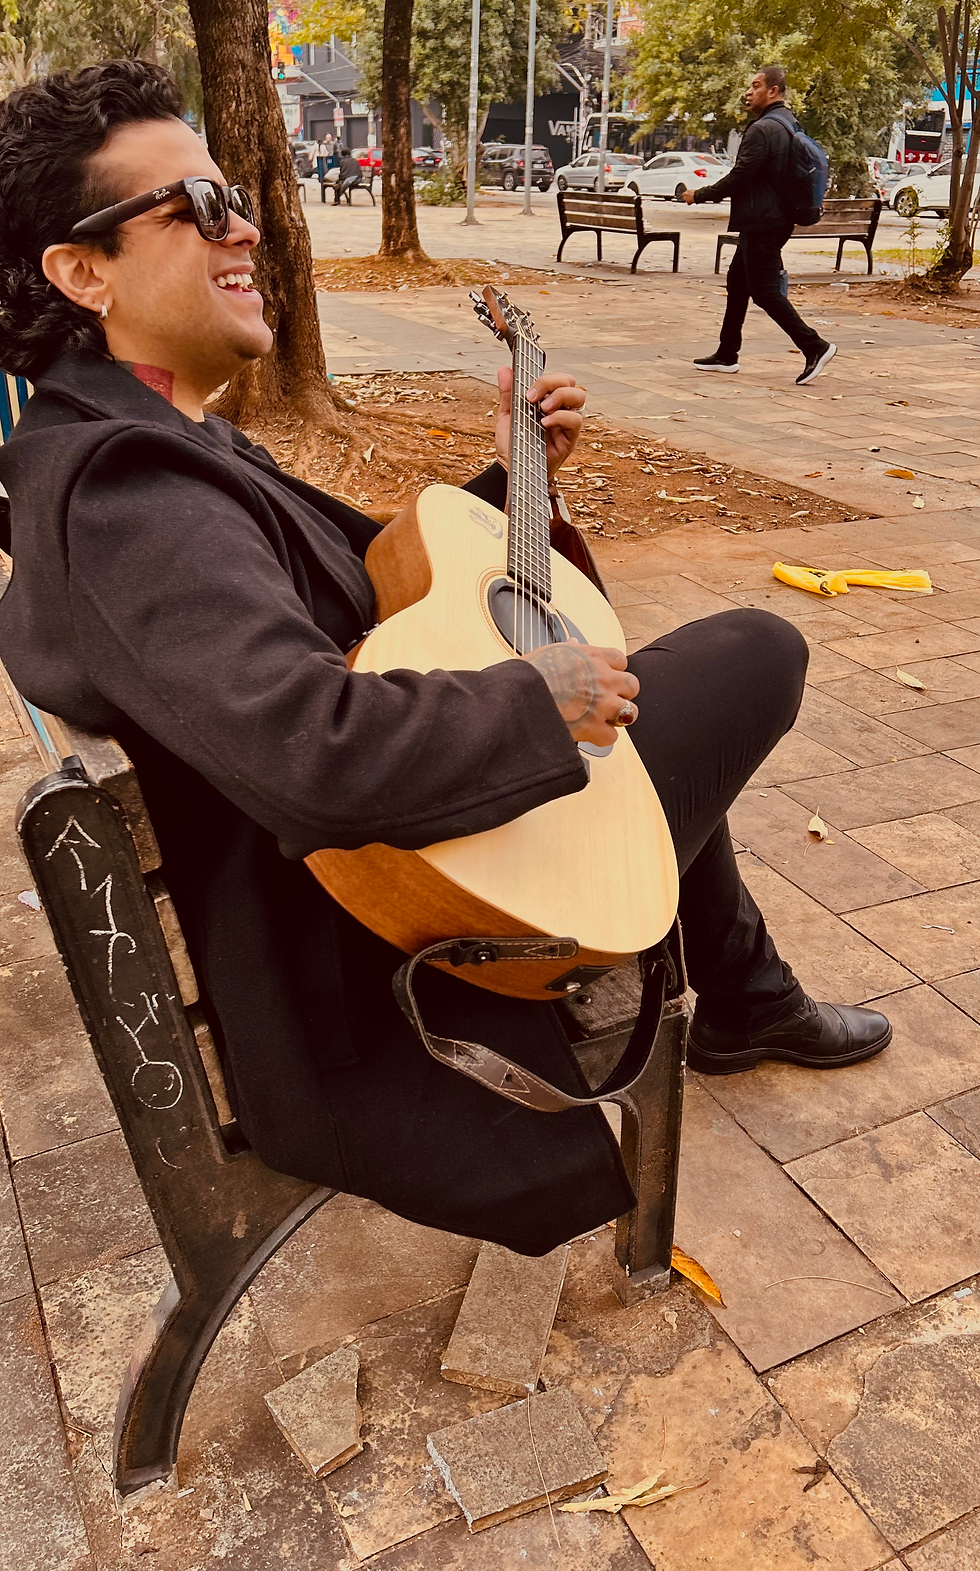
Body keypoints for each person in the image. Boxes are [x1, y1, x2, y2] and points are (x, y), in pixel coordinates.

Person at [0, 62, 890, 1258]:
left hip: (392, 871)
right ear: (81, 269)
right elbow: (307, 746)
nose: (245, 223)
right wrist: (532, 702)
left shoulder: (142, 432)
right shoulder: (127, 491)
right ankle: (746, 994)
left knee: (610, 685)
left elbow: (355, 584)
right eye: (196, 205)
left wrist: (512, 487)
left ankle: (744, 992)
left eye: (237, 194)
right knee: (749, 648)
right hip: (391, 951)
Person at [683, 66, 837, 387]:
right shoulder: (789, 124)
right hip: (774, 219)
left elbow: (740, 178)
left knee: (765, 291)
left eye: (755, 86)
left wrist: (699, 194)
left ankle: (815, 346)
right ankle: (727, 354)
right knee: (737, 283)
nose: (748, 92)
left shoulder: (762, 129)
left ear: (773, 91)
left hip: (763, 222)